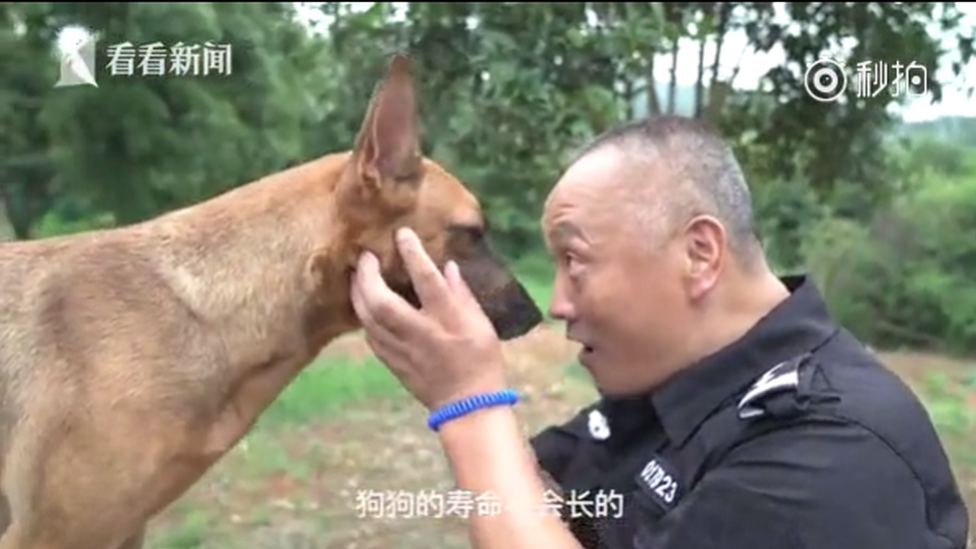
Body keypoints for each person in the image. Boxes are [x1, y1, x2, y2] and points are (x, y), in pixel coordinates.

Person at [349, 115, 970, 549]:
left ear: (699, 254)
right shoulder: (673, 390)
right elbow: (536, 489)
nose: (558, 302)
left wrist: (471, 405)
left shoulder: (833, 454)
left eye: (576, 260)